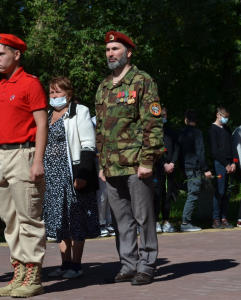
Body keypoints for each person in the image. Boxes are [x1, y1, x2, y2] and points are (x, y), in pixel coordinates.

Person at [95, 31, 164, 286]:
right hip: (111, 166)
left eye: (115, 49)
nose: (110, 54)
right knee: (121, 219)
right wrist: (101, 164)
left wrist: (148, 160)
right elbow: (100, 130)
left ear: (128, 53)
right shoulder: (104, 86)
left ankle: (146, 265)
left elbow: (153, 124)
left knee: (143, 216)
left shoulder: (142, 81)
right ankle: (128, 264)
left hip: (137, 164)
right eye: (108, 50)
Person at [0, 33, 48, 298]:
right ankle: (19, 271)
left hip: (23, 155)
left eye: (1, 54)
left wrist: (38, 160)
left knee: (28, 218)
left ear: (16, 54)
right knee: (9, 220)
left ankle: (34, 274)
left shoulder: (30, 84)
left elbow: (42, 124)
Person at [43, 77, 100, 279]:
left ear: (69, 93)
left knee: (76, 219)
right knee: (59, 221)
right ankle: (65, 263)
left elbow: (88, 144)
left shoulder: (79, 112)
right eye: (51, 92)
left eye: (58, 92)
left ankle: (77, 265)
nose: (55, 96)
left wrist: (83, 174)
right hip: (51, 175)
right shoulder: (47, 115)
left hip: (72, 174)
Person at [178, 109, 212, 232]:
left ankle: (178, 186)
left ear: (186, 119)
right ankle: (185, 222)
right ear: (196, 120)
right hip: (193, 167)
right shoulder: (197, 133)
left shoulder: (181, 133)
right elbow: (200, 151)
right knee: (193, 193)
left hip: (185, 167)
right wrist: (206, 169)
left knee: (196, 188)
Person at [208, 107, 237, 229]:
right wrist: (226, 164)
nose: (225, 119)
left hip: (231, 163)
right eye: (224, 116)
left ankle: (224, 218)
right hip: (220, 163)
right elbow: (215, 151)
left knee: (227, 191)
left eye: (227, 117)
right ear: (218, 115)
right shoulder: (212, 130)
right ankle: (216, 219)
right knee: (220, 191)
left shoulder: (227, 129)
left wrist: (234, 163)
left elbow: (232, 146)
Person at [153, 107, 179, 233]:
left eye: (165, 115)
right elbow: (154, 151)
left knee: (167, 196)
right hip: (158, 169)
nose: (164, 117)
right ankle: (156, 222)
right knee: (156, 196)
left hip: (170, 169)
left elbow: (177, 148)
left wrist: (172, 163)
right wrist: (163, 164)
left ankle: (166, 222)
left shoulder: (170, 132)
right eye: (161, 115)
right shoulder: (154, 133)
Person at [91, 116, 114, 237]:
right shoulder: (93, 121)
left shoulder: (113, 117)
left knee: (111, 193)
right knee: (102, 193)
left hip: (112, 161)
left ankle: (109, 222)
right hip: (98, 161)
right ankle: (101, 223)